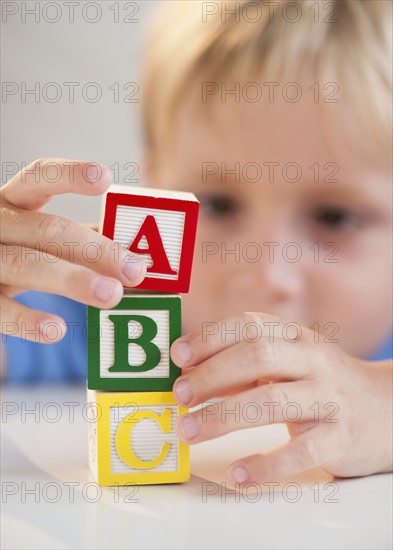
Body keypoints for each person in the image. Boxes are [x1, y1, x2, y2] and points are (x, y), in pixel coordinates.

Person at [1, 1, 392, 483]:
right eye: (218, 205)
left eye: (335, 217)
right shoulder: (98, 309)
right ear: (151, 196)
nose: (265, 272)